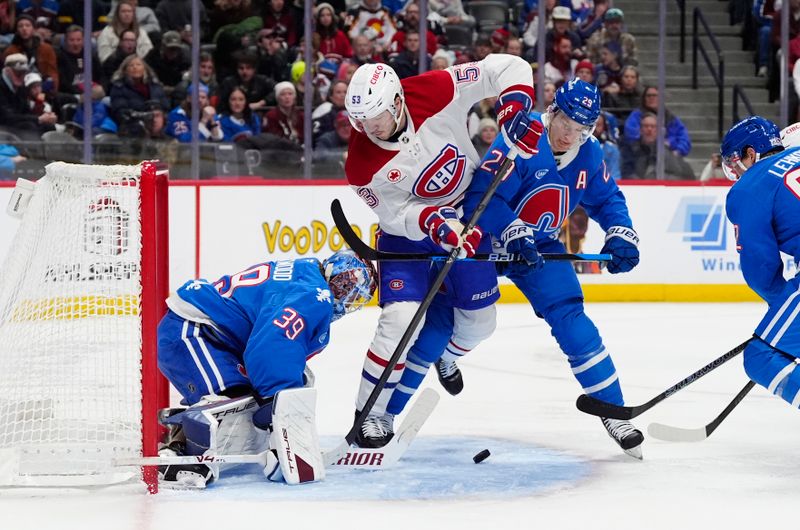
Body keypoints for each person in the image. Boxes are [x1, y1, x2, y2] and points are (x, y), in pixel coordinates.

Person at [384, 79, 645, 459]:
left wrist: (622, 233)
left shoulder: (588, 154)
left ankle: (613, 411)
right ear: (552, 111)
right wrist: (511, 229)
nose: (570, 136)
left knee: (573, 320)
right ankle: (384, 416)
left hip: (538, 248)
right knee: (440, 325)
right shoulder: (520, 136)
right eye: (566, 124)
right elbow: (480, 196)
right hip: (485, 241)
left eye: (581, 129)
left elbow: (607, 199)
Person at [343, 57, 543, 447]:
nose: (369, 128)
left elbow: (506, 66)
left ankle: (444, 353)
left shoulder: (433, 89)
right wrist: (435, 224)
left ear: (398, 102)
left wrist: (515, 110)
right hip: (408, 236)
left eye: (377, 117)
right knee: (400, 321)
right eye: (361, 121)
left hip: (467, 216)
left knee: (481, 323)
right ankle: (371, 412)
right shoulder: (360, 164)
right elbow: (396, 214)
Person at [156, 249, 377, 488]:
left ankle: (178, 429)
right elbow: (273, 344)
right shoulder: (313, 296)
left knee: (245, 399)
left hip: (214, 336)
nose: (345, 298)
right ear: (332, 274)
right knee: (230, 404)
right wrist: (278, 401)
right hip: (193, 331)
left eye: (352, 294)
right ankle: (177, 456)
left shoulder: (307, 273)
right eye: (344, 287)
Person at [719, 116, 800, 412]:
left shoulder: (749, 187)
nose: (736, 172)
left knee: (761, 357)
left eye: (735, 162)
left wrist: (780, 303)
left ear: (751, 153)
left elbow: (760, 269)